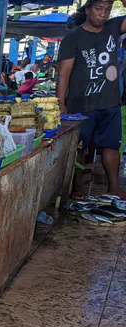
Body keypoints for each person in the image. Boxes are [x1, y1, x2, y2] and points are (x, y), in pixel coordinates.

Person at [58, 0, 126, 197]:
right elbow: (64, 73)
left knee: (112, 145)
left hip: (110, 101)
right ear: (87, 9)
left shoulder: (113, 27)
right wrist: (61, 103)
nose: (102, 14)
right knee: (79, 147)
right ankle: (77, 187)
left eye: (107, 9)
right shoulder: (73, 37)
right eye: (98, 9)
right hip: (81, 103)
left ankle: (113, 187)